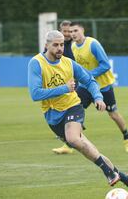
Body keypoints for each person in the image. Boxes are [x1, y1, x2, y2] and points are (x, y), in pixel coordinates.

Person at [28, 30, 128, 194]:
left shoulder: (68, 63)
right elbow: (35, 94)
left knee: (73, 139)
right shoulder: (36, 63)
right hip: (52, 116)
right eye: (56, 45)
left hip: (73, 106)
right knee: (88, 149)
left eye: (61, 44)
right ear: (46, 45)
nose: (60, 48)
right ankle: (124, 177)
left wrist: (98, 97)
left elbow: (89, 80)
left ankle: (108, 172)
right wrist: (64, 88)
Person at [69, 22, 128, 152]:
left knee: (113, 115)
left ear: (82, 30)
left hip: (103, 86)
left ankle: (127, 138)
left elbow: (105, 65)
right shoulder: (73, 47)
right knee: (74, 110)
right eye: (71, 32)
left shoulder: (93, 44)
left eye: (75, 30)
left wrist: (88, 75)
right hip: (85, 86)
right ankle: (70, 144)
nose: (73, 34)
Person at [52, 20, 76, 154]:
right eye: (65, 31)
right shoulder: (56, 46)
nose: (67, 34)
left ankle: (70, 141)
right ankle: (70, 139)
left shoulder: (74, 46)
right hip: (60, 84)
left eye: (69, 31)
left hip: (74, 83)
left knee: (73, 109)